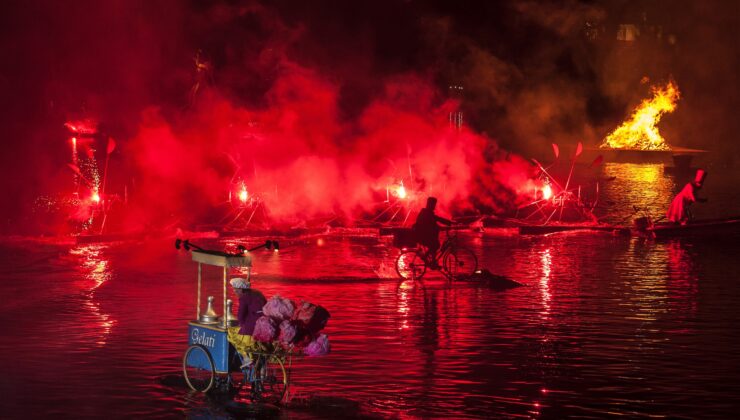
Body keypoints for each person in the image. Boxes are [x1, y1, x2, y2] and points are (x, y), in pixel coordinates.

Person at [227, 277, 267, 368]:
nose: (235, 292)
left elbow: (240, 316)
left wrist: (240, 324)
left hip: (251, 327)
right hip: (264, 325)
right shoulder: (258, 293)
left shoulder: (244, 298)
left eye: (236, 291)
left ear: (241, 290)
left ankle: (246, 358)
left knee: (232, 334)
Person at [412, 197, 453, 266]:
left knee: (435, 243)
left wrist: (448, 223)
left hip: (423, 234)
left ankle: (433, 262)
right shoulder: (427, 213)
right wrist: (448, 223)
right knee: (435, 245)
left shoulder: (426, 212)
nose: (435, 206)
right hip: (421, 236)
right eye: (434, 204)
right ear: (430, 204)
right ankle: (425, 257)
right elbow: (435, 220)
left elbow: (434, 221)